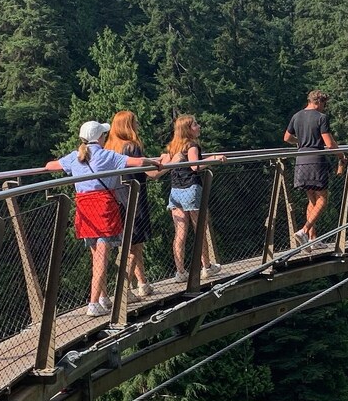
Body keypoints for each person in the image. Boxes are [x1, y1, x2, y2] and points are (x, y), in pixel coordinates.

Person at [46, 120, 162, 316]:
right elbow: (138, 162)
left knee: (96, 256)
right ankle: (93, 303)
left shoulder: (75, 156)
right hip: (103, 208)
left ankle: (103, 297)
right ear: (100, 137)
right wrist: (155, 162)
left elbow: (49, 166)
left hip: (84, 208)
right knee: (101, 258)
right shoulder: (107, 155)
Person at [106, 111, 165, 298]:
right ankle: (123, 292)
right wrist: (168, 162)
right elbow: (152, 174)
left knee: (132, 243)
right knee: (135, 245)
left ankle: (142, 283)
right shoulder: (132, 147)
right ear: (128, 126)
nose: (137, 125)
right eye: (135, 122)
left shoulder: (109, 148)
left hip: (116, 199)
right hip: (135, 198)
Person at [162, 115, 224, 281]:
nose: (199, 126)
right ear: (188, 129)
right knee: (200, 230)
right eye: (195, 124)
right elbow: (195, 166)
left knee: (180, 233)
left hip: (175, 192)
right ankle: (206, 267)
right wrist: (213, 158)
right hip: (191, 189)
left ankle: (180, 271)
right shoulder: (191, 145)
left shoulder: (172, 147)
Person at [284, 90, 344, 248]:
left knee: (312, 200)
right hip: (316, 162)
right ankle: (303, 231)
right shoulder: (321, 117)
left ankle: (313, 239)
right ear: (318, 102)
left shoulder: (297, 116)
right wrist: (341, 156)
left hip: (301, 161)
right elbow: (329, 143)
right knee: (322, 199)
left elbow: (287, 137)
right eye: (324, 104)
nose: (324, 107)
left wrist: (301, 142)